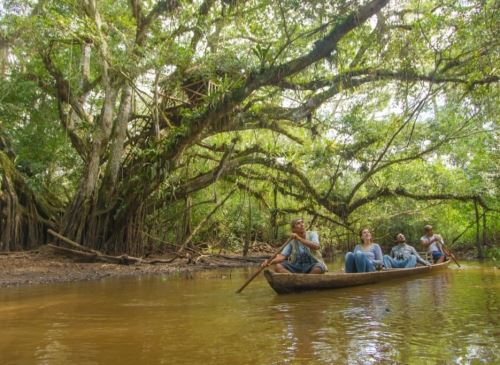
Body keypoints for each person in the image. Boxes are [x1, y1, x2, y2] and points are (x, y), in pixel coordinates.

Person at [261, 218, 327, 274]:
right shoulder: (291, 240)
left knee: (319, 268)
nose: (302, 225)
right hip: (297, 266)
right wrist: (269, 262)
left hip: (312, 265)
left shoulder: (312, 234)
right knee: (278, 266)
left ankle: (305, 279)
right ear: (293, 230)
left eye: (302, 222)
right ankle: (294, 278)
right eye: (298, 223)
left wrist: (299, 238)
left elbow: (316, 246)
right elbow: (282, 256)